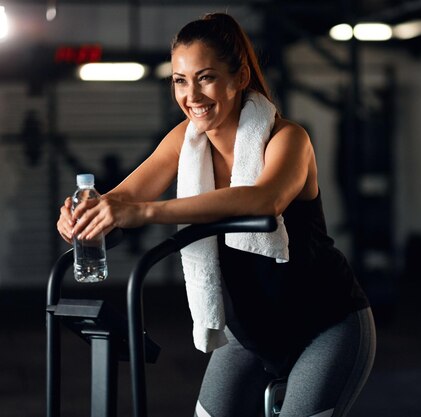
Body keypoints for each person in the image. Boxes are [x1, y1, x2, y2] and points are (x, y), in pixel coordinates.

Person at [57, 12, 375, 417]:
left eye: (205, 77)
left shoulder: (288, 138)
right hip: (250, 332)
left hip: (326, 323)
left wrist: (146, 212)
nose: (192, 95)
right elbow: (119, 199)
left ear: (240, 76)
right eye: (179, 80)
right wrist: (81, 214)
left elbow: (265, 199)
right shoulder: (183, 141)